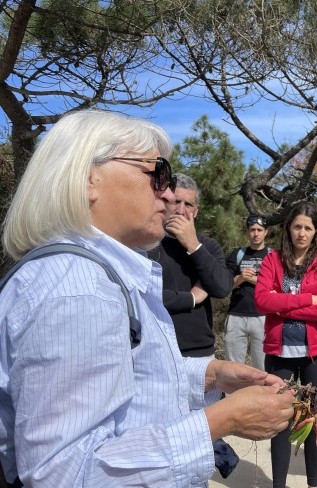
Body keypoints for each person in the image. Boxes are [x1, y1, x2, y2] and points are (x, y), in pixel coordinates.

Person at [0, 110, 294, 486]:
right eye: (157, 172)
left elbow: (125, 374)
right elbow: (65, 475)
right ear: (90, 179)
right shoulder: (80, 291)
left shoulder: (93, 275)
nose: (169, 193)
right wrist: (223, 420)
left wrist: (209, 374)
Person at [254, 202, 317, 488]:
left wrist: (282, 304)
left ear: (316, 232)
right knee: (280, 421)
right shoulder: (272, 260)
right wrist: (304, 300)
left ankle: (312, 484)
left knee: (312, 421)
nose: (302, 233)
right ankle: (279, 484)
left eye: (308, 228)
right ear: (288, 229)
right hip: (280, 354)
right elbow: (262, 300)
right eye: (297, 226)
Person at [153, 173, 233, 358]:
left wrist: (193, 245)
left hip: (200, 353)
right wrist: (190, 298)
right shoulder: (146, 243)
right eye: (176, 202)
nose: (181, 211)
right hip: (156, 349)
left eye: (188, 204)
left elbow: (222, 288)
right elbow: (142, 295)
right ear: (164, 202)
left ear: (196, 211)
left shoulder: (208, 246)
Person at [224, 215, 270, 370]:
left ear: (266, 232)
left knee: (262, 367)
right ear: (247, 232)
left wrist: (252, 279)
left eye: (259, 230)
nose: (255, 233)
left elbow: (277, 286)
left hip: (264, 317)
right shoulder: (237, 254)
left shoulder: (273, 256)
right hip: (236, 315)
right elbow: (225, 284)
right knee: (234, 367)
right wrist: (241, 278)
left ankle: (262, 395)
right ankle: (234, 394)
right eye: (252, 230)